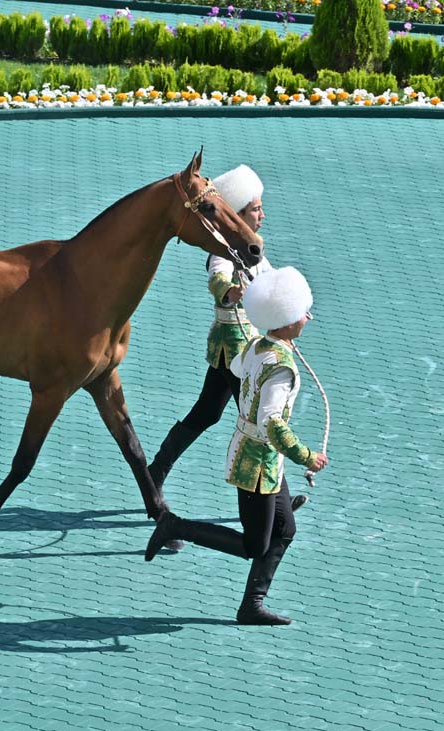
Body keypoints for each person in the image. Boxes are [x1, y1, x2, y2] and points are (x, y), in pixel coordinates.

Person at [145, 266, 329, 625]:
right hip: (257, 463)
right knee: (254, 545)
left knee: (285, 530)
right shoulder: (281, 369)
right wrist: (307, 457)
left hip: (260, 458)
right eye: (302, 312)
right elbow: (273, 425)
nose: (307, 318)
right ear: (286, 319)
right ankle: (175, 527)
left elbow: (241, 372)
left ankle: (252, 605)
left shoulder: (256, 346)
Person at [147, 164, 307, 543]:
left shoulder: (252, 252)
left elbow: (270, 283)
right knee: (262, 422)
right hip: (235, 352)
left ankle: (155, 472)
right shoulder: (223, 254)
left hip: (243, 352)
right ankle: (277, 502)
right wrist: (230, 291)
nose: (262, 215)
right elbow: (218, 279)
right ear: (236, 214)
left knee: (207, 413)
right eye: (255, 209)